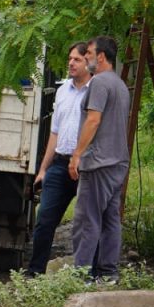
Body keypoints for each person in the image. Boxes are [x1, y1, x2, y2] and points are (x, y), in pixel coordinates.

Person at [24, 41, 92, 277]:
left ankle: (87, 274)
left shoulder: (96, 90)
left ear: (89, 62)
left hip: (86, 166)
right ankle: (34, 273)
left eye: (77, 59)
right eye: (70, 59)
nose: (71, 63)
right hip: (60, 163)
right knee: (44, 220)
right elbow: (55, 132)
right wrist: (44, 168)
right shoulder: (63, 90)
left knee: (86, 224)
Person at [69, 36, 131, 283]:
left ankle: (80, 276)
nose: (86, 58)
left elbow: (93, 120)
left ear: (101, 57)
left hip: (98, 162)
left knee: (86, 220)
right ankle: (108, 274)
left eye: (90, 54)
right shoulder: (120, 85)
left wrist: (77, 155)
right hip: (118, 162)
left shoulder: (100, 83)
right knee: (110, 220)